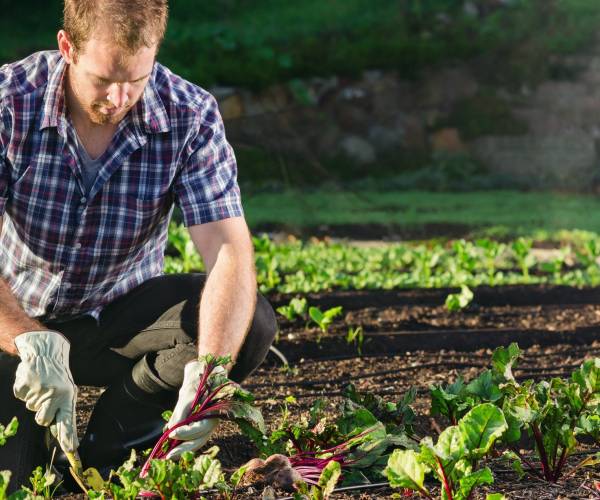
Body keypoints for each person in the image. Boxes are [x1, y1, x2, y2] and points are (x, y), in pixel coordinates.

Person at [0, 0, 278, 492]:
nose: (119, 98)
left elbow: (228, 251)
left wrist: (209, 370)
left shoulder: (189, 114)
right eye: (103, 79)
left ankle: (108, 452)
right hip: (15, 326)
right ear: (67, 47)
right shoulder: (9, 101)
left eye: (137, 79)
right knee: (16, 482)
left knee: (249, 322)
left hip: (118, 318)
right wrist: (27, 338)